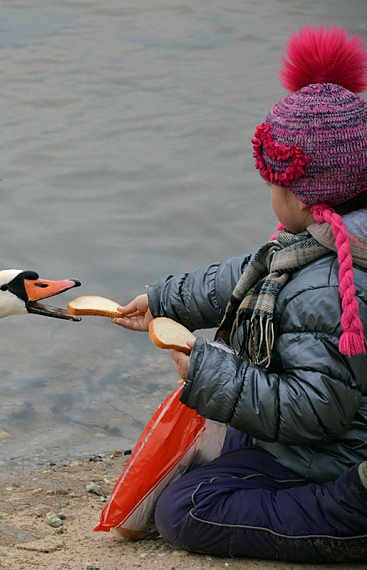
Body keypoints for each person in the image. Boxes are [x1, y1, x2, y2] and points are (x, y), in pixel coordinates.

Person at [112, 25, 367, 562]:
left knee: (186, 510)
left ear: (302, 194)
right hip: (335, 431)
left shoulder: (328, 285)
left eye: (273, 186)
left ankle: (346, 512)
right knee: (222, 436)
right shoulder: (327, 241)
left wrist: (205, 372)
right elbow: (249, 276)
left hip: (337, 449)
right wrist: (165, 299)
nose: (269, 196)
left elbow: (316, 413)